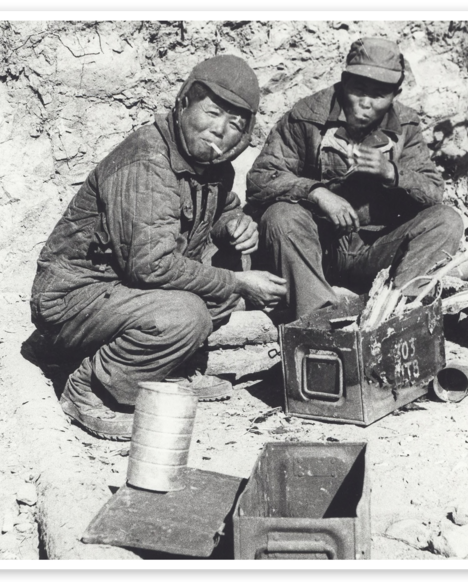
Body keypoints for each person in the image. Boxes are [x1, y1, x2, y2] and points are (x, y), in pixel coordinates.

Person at [30, 55, 286, 441]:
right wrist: (237, 282)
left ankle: (160, 368)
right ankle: (90, 388)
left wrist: (233, 225)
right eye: (212, 112)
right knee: (188, 313)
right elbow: (151, 266)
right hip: (73, 301)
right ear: (183, 104)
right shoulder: (148, 162)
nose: (220, 130)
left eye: (235, 123)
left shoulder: (212, 166)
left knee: (219, 281)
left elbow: (218, 209)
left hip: (123, 293)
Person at [247, 37, 468, 320]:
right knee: (281, 216)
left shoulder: (406, 125)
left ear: (395, 94)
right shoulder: (307, 118)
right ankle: (319, 322)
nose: (365, 103)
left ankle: (398, 313)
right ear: (344, 81)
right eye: (358, 89)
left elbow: (432, 192)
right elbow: (261, 178)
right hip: (317, 249)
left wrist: (391, 173)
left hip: (376, 250)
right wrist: (316, 193)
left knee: (446, 220)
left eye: (379, 95)